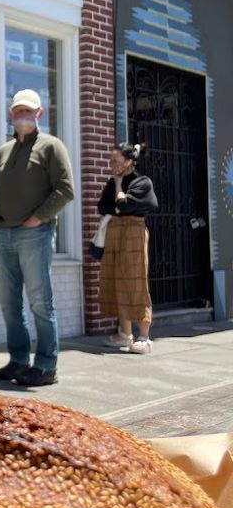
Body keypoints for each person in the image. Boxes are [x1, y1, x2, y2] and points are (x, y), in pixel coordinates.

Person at [0, 89, 74, 386]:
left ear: (39, 113)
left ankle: (46, 365)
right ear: (11, 114)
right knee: (7, 301)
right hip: (5, 235)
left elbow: (65, 189)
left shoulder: (51, 146)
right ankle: (18, 360)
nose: (23, 115)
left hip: (35, 233)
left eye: (29, 111)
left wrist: (37, 218)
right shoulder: (4, 150)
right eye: (18, 111)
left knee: (40, 301)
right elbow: (3, 192)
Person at [97, 142, 158, 354]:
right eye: (110, 161)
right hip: (115, 232)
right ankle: (124, 334)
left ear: (130, 161)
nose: (112, 165)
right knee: (116, 279)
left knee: (136, 280)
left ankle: (144, 336)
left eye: (116, 161)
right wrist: (118, 197)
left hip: (134, 231)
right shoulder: (111, 183)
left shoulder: (143, 182)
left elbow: (123, 205)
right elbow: (103, 207)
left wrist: (120, 189)